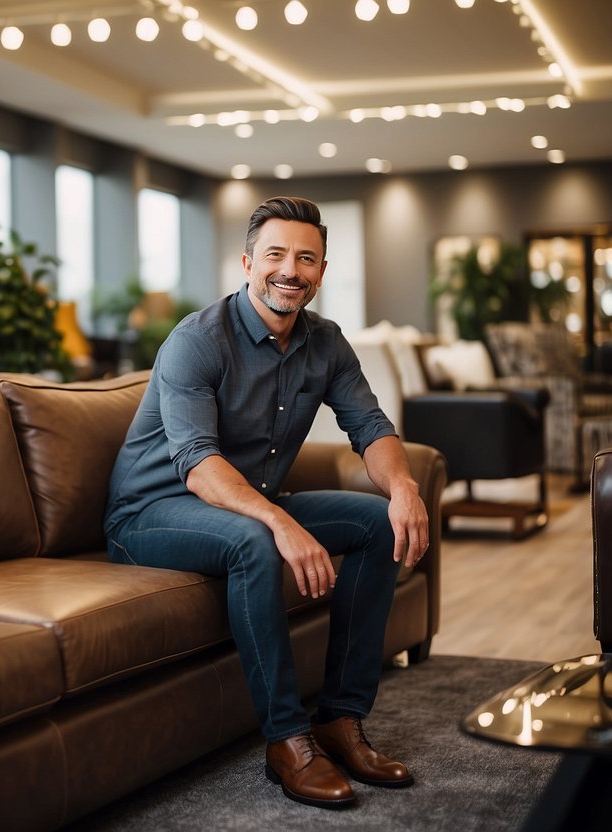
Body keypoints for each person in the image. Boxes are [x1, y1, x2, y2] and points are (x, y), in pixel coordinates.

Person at [103, 195, 429, 809]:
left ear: (322, 272)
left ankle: (340, 719)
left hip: (244, 502)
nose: (290, 270)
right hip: (149, 515)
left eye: (307, 258)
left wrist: (404, 488)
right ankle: (287, 740)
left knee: (378, 526)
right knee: (256, 539)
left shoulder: (326, 342)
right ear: (248, 262)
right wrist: (280, 520)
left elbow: (371, 426)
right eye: (276, 254)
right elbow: (198, 467)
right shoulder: (196, 340)